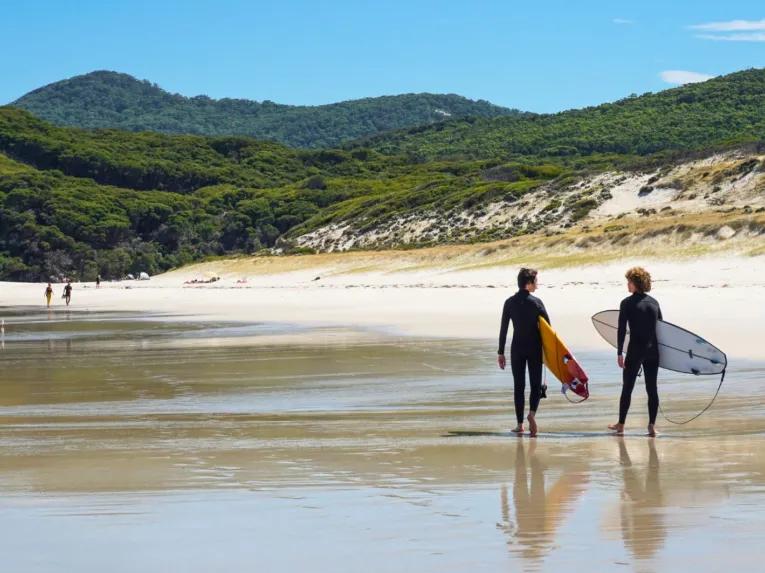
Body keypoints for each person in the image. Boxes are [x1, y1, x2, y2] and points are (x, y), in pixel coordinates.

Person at [609, 267, 662, 437]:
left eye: (629, 282)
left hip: (635, 351)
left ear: (635, 283)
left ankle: (621, 424)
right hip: (653, 351)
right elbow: (662, 329)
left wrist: (619, 352)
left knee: (627, 388)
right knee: (652, 388)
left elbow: (621, 330)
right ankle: (652, 426)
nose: (627, 284)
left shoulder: (626, 303)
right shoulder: (654, 303)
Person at [498, 268, 550, 436]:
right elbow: (548, 329)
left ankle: (519, 425)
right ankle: (532, 414)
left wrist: (500, 352)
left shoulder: (509, 302)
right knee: (535, 385)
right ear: (528, 284)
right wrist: (549, 353)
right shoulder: (537, 302)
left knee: (518, 386)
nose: (537, 284)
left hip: (517, 349)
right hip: (534, 348)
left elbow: (504, 329)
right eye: (536, 281)